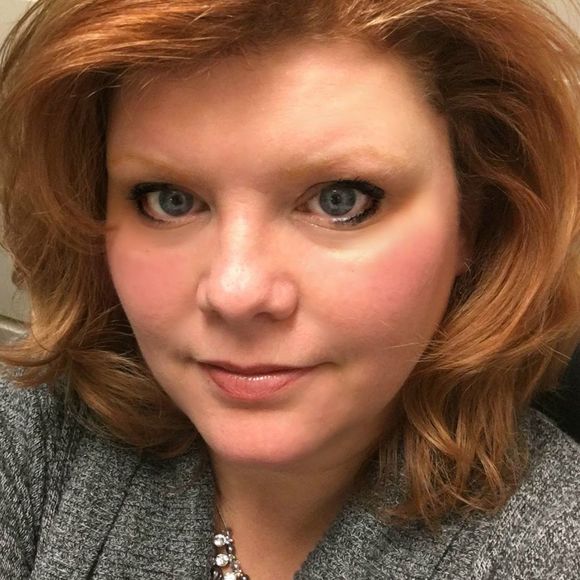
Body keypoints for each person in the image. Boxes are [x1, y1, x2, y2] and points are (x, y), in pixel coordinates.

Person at [0, 0, 579, 578]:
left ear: (473, 221)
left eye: (340, 201)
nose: (236, 292)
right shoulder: (32, 439)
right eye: (169, 201)